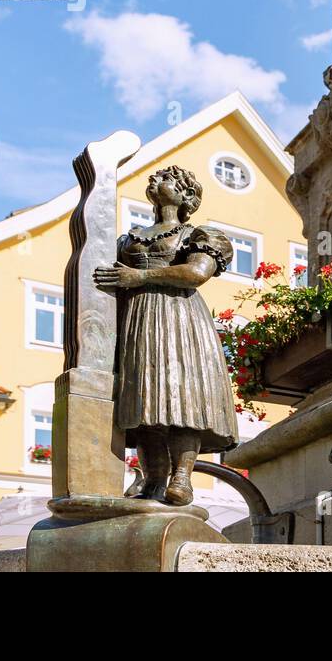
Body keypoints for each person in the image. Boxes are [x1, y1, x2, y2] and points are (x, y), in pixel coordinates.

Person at [94, 165, 238, 506]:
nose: (155, 181)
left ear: (186, 195)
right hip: (136, 322)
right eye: (154, 178)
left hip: (179, 319)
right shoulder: (128, 239)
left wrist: (139, 278)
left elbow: (196, 272)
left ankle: (182, 477)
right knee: (142, 401)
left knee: (180, 398)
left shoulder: (197, 234)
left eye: (167, 179)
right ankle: (153, 479)